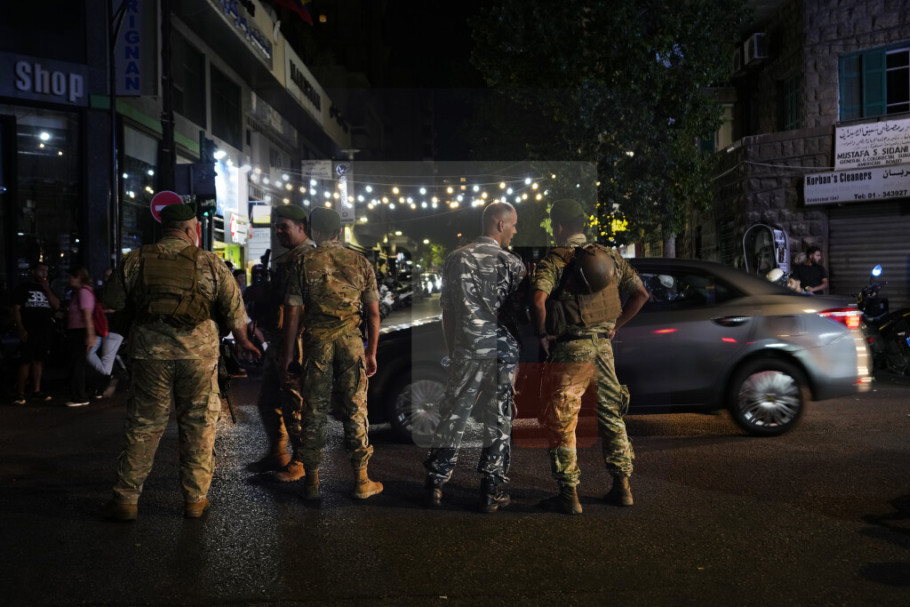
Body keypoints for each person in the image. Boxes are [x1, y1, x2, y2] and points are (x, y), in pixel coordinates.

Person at [100, 201, 260, 521]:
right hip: (198, 357)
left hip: (149, 355)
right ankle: (195, 501)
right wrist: (244, 342)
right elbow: (234, 310)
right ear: (190, 230)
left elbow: (112, 302)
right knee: (199, 425)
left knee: (144, 425)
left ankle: (126, 499)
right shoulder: (210, 262)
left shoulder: (136, 260)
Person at [530, 199, 650, 515]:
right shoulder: (610, 256)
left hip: (571, 351)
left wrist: (542, 334)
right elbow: (641, 294)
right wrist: (616, 326)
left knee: (563, 421)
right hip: (603, 351)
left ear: (558, 227)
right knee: (612, 415)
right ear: (582, 225)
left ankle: (569, 494)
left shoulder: (555, 260)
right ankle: (622, 487)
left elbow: (538, 300)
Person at [423, 202, 526, 513]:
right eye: (512, 225)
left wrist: (454, 351)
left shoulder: (456, 259)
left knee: (454, 414)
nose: (515, 231)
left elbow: (448, 312)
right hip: (502, 352)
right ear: (499, 224)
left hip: (467, 349)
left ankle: (435, 485)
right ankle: (491, 490)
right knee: (498, 418)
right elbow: (518, 316)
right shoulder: (513, 264)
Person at [281, 207, 381, 501]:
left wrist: (289, 356)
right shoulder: (360, 261)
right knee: (355, 409)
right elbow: (373, 314)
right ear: (339, 232)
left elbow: (292, 314)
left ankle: (312, 482)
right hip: (351, 344)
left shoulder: (303, 262)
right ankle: (361, 481)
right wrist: (371, 352)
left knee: (313, 411)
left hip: (317, 344)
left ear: (313, 231)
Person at [247, 204, 314, 482]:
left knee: (293, 402)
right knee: (268, 401)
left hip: (294, 340)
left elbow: (297, 306)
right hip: (278, 339)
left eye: (284, 226)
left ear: (301, 227)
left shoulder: (306, 258)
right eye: (277, 227)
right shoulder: (288, 259)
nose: (278, 231)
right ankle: (277, 453)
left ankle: (301, 461)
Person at [12, 262, 60, 405]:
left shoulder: (47, 288)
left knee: (39, 360)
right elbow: (16, 309)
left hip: (44, 330)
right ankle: (20, 393)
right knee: (26, 361)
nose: (44, 273)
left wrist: (47, 289)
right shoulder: (23, 288)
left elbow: (56, 306)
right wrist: (21, 328)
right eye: (41, 270)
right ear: (33, 271)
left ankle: (36, 390)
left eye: (46, 270)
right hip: (29, 329)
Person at [87, 268, 125, 397]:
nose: (108, 279)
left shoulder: (118, 294)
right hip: (102, 329)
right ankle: (108, 379)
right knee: (91, 354)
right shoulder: (101, 292)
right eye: (106, 276)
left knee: (105, 359)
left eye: (110, 276)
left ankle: (104, 383)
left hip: (113, 330)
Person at [64, 266, 97, 408]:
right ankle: (79, 395)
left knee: (78, 365)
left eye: (71, 277)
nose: (69, 280)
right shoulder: (81, 292)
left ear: (78, 277)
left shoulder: (83, 292)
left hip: (80, 331)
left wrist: (90, 334)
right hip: (79, 331)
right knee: (78, 364)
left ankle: (80, 396)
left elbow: (87, 314)